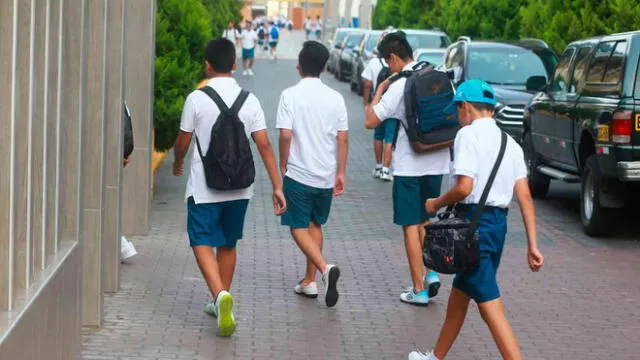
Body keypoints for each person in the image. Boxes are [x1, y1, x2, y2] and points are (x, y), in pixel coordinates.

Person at [407, 80, 545, 360]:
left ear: (466, 107)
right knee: (460, 296)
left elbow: (464, 187)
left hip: (472, 227)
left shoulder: (467, 136)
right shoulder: (511, 144)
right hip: (497, 228)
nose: (457, 116)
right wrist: (533, 244)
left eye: (458, 110)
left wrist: (435, 203)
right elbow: (525, 198)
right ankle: (435, 357)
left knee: (489, 305)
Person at [172, 38, 286, 337]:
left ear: (207, 65)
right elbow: (263, 144)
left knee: (200, 240)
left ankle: (219, 296)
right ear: (235, 65)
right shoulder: (251, 100)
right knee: (228, 243)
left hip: (204, 186)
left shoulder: (196, 99)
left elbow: (183, 140)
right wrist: (277, 186)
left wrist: (177, 161)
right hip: (240, 188)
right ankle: (220, 298)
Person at [364, 32, 449, 306]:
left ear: (393, 58)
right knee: (426, 220)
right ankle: (432, 273)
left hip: (410, 164)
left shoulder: (400, 86)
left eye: (387, 62)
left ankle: (418, 289)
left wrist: (379, 92)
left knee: (410, 225)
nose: (387, 68)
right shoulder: (437, 75)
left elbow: (370, 121)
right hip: (437, 161)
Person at [277, 41, 348, 308]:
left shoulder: (289, 95)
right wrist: (340, 172)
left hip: (299, 172)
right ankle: (309, 282)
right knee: (315, 224)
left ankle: (323, 268)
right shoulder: (336, 98)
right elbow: (343, 139)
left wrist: (283, 164)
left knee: (297, 226)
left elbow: (285, 134)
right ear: (325, 66)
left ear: (299, 64)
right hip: (325, 175)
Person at [362, 30, 394, 181]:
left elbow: (367, 84)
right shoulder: (396, 64)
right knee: (390, 137)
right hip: (393, 106)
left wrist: (367, 103)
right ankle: (386, 170)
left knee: (378, 135)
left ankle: (378, 166)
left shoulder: (374, 63)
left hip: (378, 105)